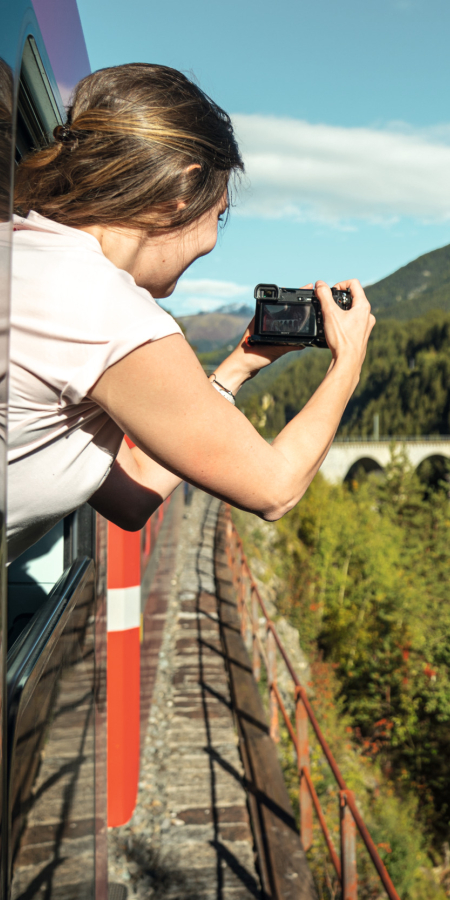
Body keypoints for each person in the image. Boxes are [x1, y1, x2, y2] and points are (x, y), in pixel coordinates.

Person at [10, 63, 375, 564]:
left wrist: (237, 367)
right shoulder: (100, 306)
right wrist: (349, 359)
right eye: (219, 212)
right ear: (183, 192)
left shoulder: (29, 256)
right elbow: (276, 490)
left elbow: (133, 492)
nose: (212, 239)